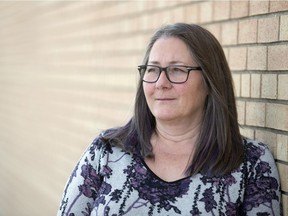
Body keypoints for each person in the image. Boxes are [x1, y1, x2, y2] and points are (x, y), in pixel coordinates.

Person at [57, 23, 281, 216]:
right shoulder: (106, 152)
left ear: (210, 82)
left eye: (176, 70)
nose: (160, 83)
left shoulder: (251, 163)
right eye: (152, 70)